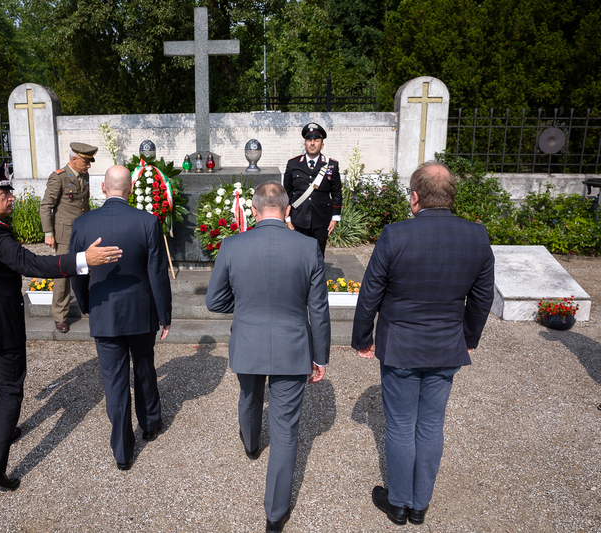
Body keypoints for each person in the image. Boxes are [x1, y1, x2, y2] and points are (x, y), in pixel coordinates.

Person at [0, 165, 121, 491]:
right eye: (5, 194)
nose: (11, 198)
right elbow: (31, 264)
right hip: (0, 325)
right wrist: (83, 260)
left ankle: (4, 429)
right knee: (11, 390)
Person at [351, 161, 494, 525]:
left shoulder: (395, 235)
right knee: (431, 425)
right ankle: (420, 505)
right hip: (447, 346)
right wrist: (469, 339)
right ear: (450, 197)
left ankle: (398, 503)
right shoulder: (476, 235)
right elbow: (481, 298)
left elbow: (370, 293)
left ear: (415, 198)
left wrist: (362, 338)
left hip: (400, 345)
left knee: (400, 425)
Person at [205, 181, 330, 533]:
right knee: (287, 431)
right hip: (292, 346)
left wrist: (243, 307)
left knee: (249, 395)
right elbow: (318, 310)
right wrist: (320, 357)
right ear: (288, 210)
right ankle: (275, 515)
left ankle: (250, 444)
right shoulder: (308, 248)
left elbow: (214, 301)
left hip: (248, 340)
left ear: (255, 211)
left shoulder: (232, 245)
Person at [70, 165, 171, 471]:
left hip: (104, 311)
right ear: (129, 190)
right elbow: (158, 273)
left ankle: (123, 451)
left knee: (114, 381)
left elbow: (78, 271)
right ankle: (150, 423)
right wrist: (164, 314)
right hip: (141, 311)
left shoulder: (82, 223)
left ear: (103, 188)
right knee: (143, 368)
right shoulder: (147, 221)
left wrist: (86, 305)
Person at [39, 142, 97, 333]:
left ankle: (85, 306)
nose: (88, 165)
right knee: (62, 277)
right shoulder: (59, 178)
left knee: (83, 270)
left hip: (82, 233)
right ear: (74, 159)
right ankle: (60, 316)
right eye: (86, 162)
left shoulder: (84, 175)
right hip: (65, 235)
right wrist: (49, 233)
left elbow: (84, 205)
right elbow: (46, 206)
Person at [283, 122, 342, 259]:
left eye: (316, 140)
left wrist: (334, 218)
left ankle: (316, 280)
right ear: (305, 144)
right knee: (297, 255)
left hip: (321, 220)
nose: (312, 143)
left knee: (318, 255)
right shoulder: (293, 164)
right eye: (309, 140)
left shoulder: (331, 165)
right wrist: (287, 218)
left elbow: (336, 193)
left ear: (322, 145)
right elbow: (286, 193)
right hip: (298, 219)